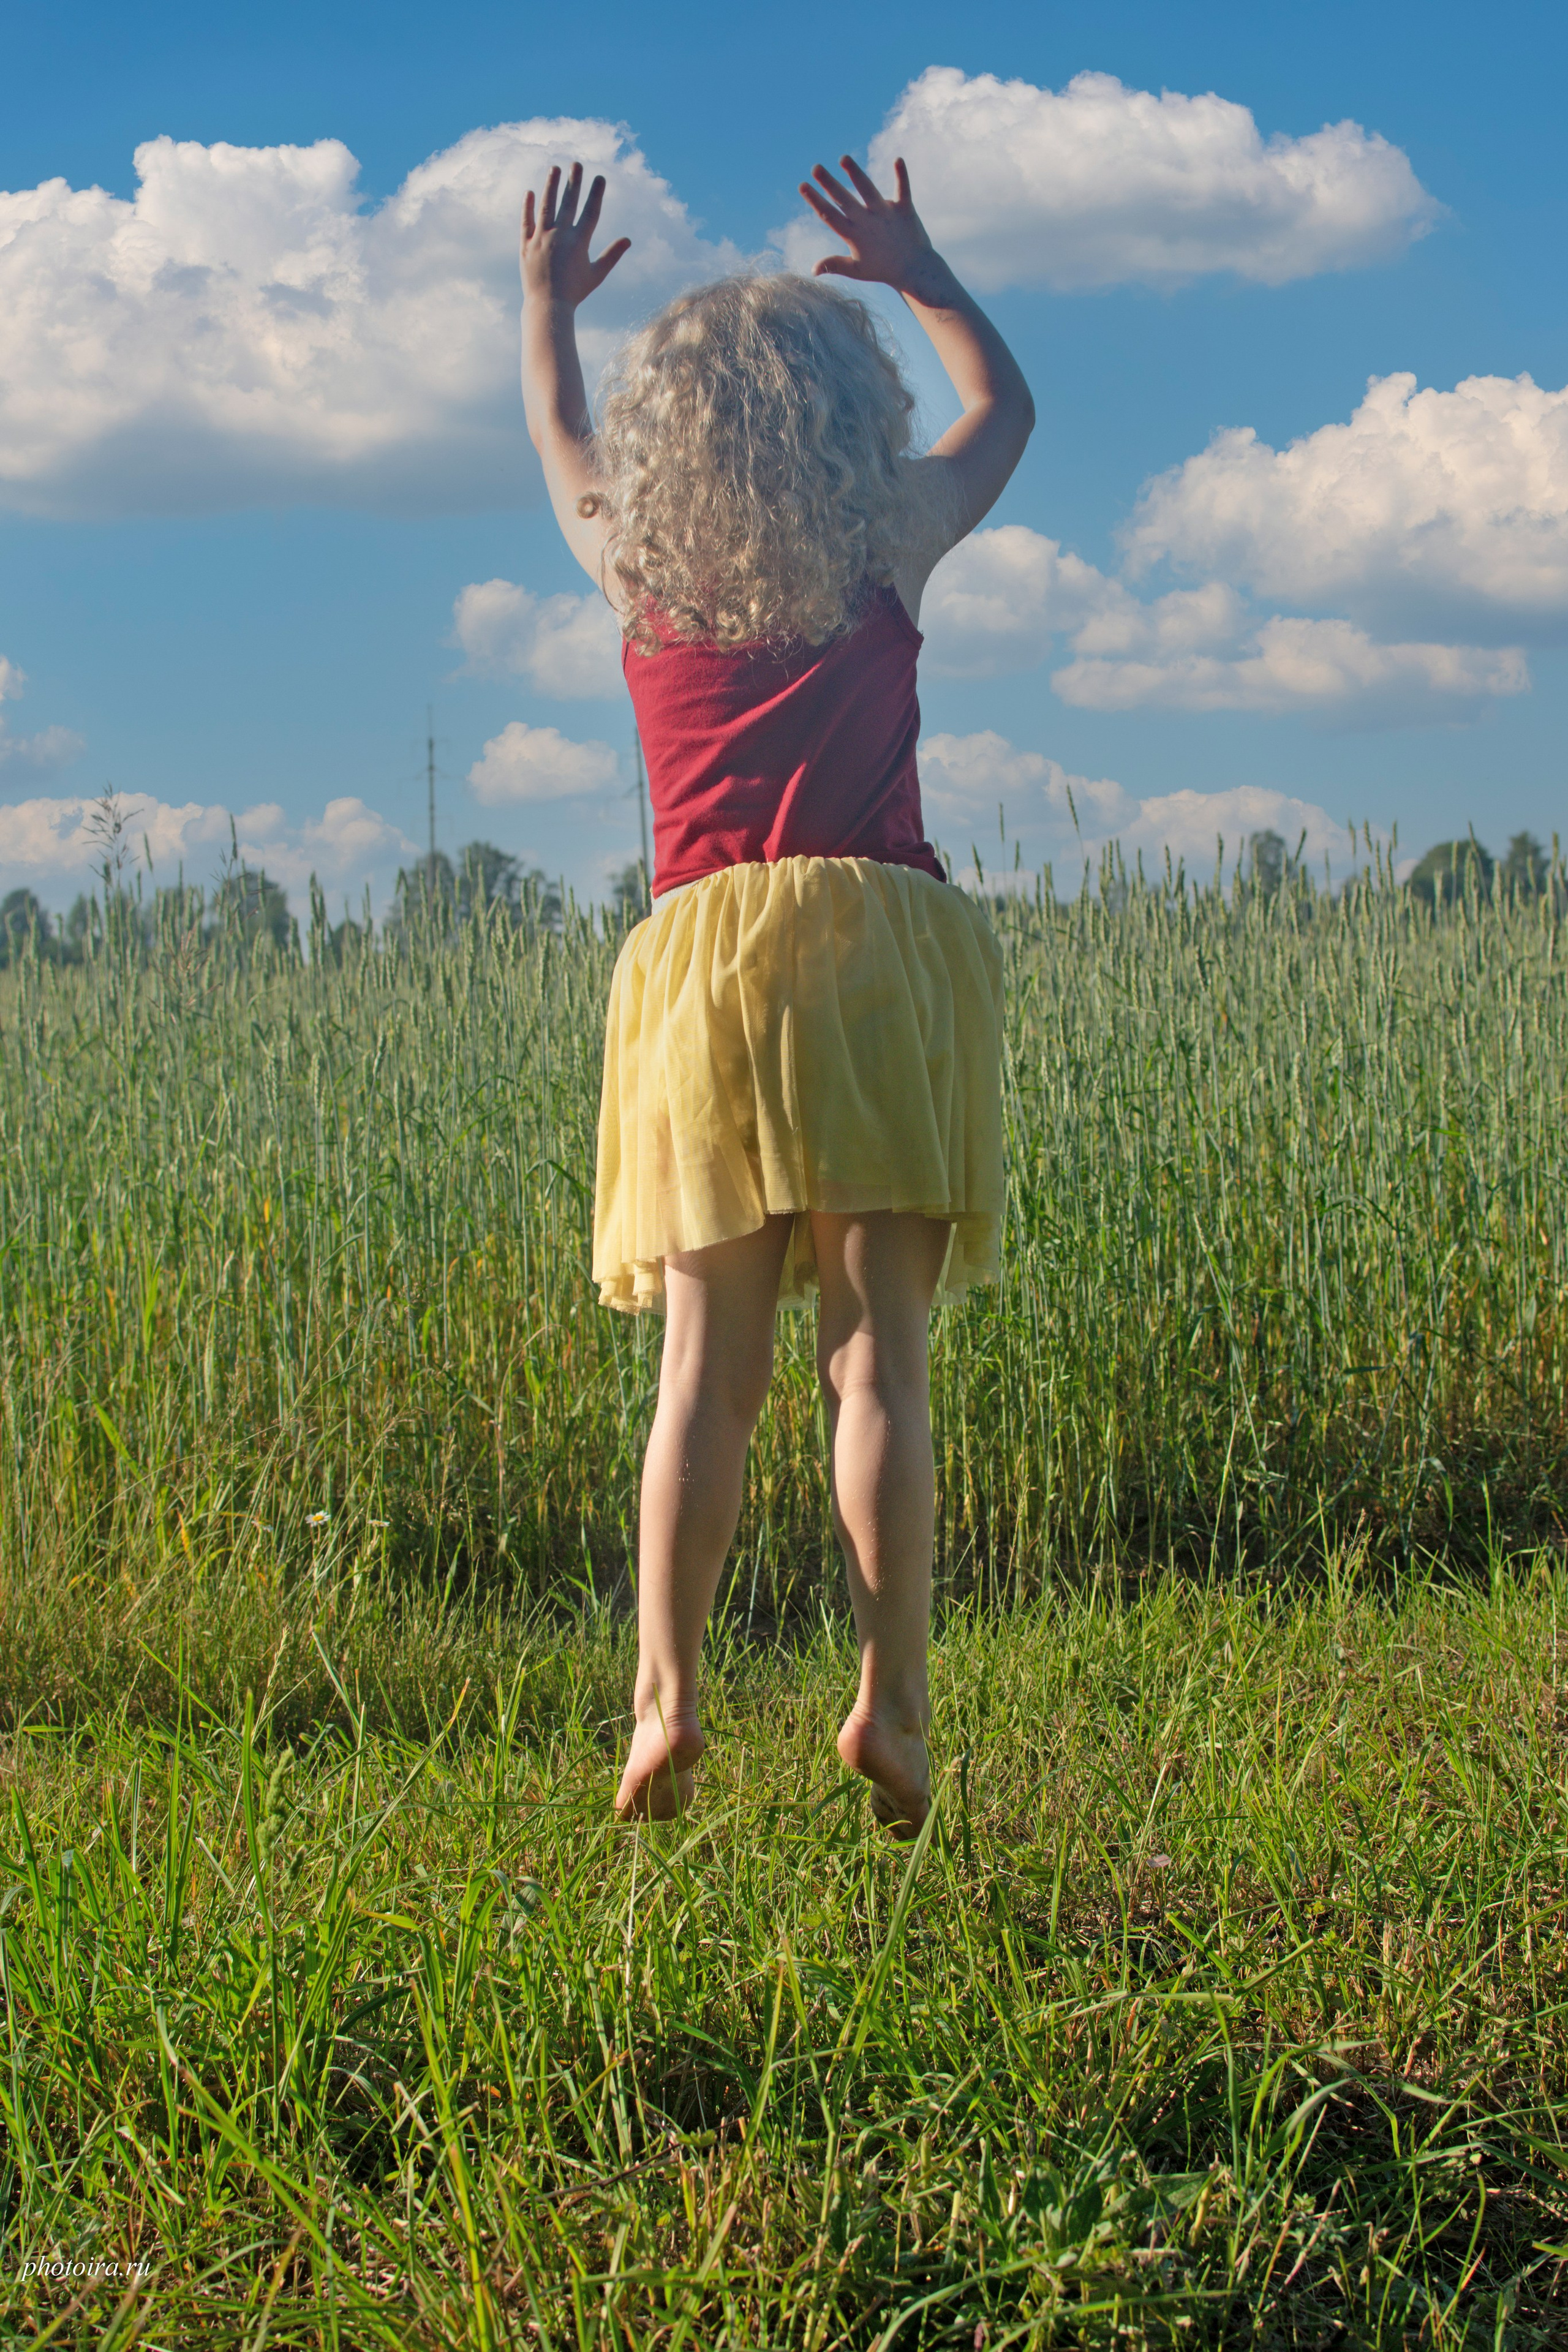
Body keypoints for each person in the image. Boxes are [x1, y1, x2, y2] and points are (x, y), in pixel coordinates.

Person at [519, 151, 1033, 1834]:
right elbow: (1004, 411)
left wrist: (544, 308)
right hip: (878, 944)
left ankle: (665, 1699)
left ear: (675, 430)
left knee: (703, 1374)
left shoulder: (630, 558)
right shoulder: (888, 534)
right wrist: (922, 267)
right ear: (835, 411)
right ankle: (892, 1699)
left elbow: (556, 439)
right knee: (876, 1363)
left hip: (699, 968)